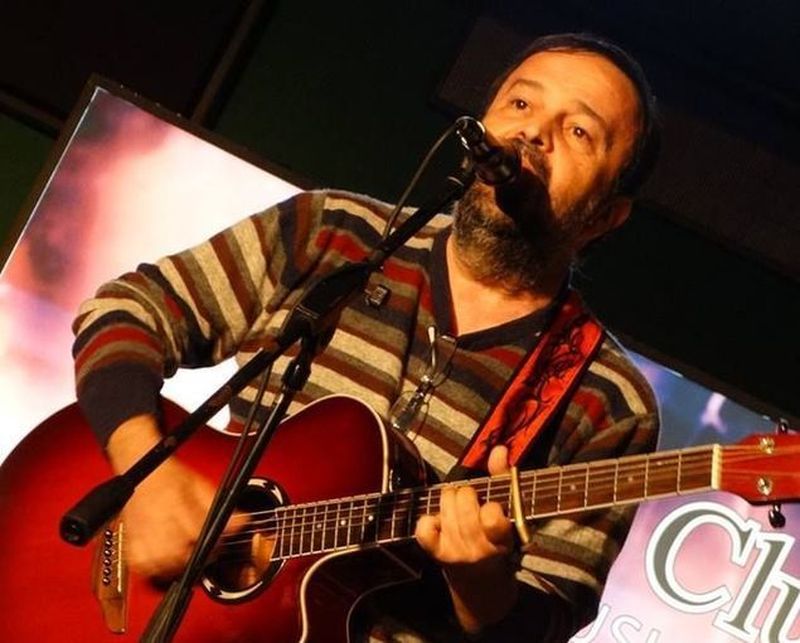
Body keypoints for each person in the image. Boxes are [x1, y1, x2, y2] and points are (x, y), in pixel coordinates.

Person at [72, 33, 660, 642]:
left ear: (606, 216)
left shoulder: (608, 399)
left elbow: (548, 617)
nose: (532, 133)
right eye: (520, 104)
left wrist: (481, 586)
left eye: (578, 131)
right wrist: (145, 474)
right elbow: (126, 310)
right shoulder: (333, 232)